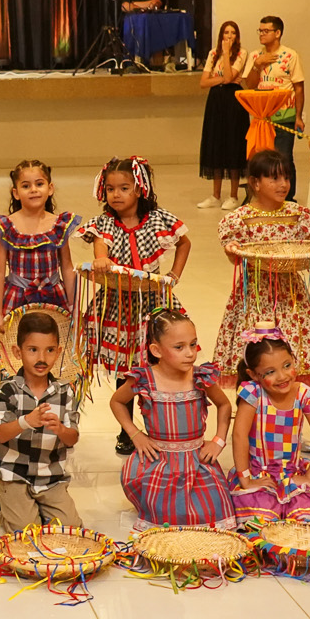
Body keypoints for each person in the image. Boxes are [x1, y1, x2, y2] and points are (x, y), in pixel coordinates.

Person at [82, 156, 191, 452]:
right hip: (118, 304)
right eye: (110, 189)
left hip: (153, 302)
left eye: (124, 188)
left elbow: (184, 242)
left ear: (140, 189)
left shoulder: (157, 218)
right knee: (126, 369)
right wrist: (101, 258)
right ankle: (127, 430)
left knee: (157, 363)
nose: (116, 195)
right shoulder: (105, 223)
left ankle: (160, 425)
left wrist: (174, 274)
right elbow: (101, 245)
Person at [217, 148, 310, 386]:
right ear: (255, 183)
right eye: (274, 178)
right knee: (258, 345)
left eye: (286, 178)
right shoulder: (239, 219)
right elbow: (235, 256)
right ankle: (253, 396)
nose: (283, 185)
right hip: (256, 293)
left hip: (290, 293)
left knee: (292, 342)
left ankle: (287, 396)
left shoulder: (298, 214)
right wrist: (232, 251)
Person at [110, 310, 234, 527]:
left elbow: (224, 405)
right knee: (165, 513)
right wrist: (135, 434)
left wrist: (219, 440)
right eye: (179, 347)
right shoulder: (145, 379)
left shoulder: (200, 376)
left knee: (211, 510)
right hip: (160, 462)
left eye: (193, 344)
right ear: (156, 350)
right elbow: (117, 402)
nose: (190, 353)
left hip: (196, 461)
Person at [0, 310, 81, 532]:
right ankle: (7, 506)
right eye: (33, 350)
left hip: (51, 478)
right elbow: (0, 434)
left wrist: (60, 429)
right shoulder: (7, 390)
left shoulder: (65, 392)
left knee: (72, 528)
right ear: (17, 351)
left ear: (58, 352)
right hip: (15, 475)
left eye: (50, 350)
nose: (42, 358)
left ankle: (31, 507)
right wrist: (26, 421)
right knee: (25, 531)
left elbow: (72, 438)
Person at [232, 337, 310, 522]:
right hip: (259, 471)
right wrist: (245, 479)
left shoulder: (304, 395)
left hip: (292, 472)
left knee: (307, 516)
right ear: (254, 374)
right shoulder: (253, 393)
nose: (282, 376)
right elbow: (239, 435)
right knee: (258, 517)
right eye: (270, 372)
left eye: (287, 365)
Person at [0, 159, 76, 328]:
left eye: (39, 184)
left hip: (53, 295)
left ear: (50, 188)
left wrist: (74, 308)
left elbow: (67, 267)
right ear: (16, 193)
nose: (33, 190)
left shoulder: (59, 225)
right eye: (26, 186)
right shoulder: (6, 226)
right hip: (16, 297)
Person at [246, 16, 306, 199]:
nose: (261, 34)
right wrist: (257, 65)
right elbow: (249, 85)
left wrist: (298, 116)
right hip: (261, 118)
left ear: (277, 33)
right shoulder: (255, 56)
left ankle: (288, 198)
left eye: (266, 31)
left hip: (284, 116)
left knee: (284, 157)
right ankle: (264, 196)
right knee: (261, 159)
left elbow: (299, 87)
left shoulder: (290, 55)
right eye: (260, 31)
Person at [197, 20, 251, 208]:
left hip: (233, 102)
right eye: (226, 32)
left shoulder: (241, 53)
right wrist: (221, 79)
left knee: (233, 145)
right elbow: (203, 82)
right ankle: (215, 195)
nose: (229, 36)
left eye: (233, 33)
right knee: (216, 144)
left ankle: (233, 195)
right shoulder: (213, 53)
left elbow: (229, 77)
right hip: (216, 101)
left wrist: (227, 54)